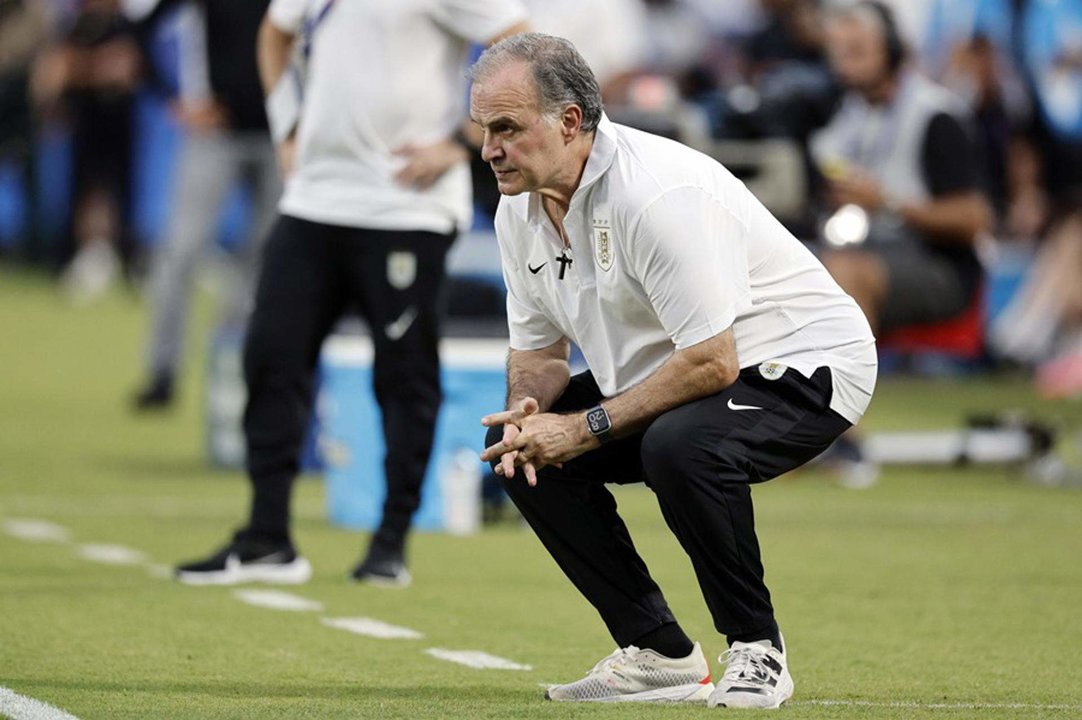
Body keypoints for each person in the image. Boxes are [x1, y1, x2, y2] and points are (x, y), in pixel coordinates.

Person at [472, 33, 876, 708]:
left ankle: (757, 650)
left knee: (683, 446)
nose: (489, 149)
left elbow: (712, 363)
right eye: (485, 130)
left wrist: (585, 428)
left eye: (506, 129)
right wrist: (528, 411)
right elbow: (540, 353)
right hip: (684, 365)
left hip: (806, 360)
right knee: (519, 454)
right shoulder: (519, 208)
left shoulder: (655, 194)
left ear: (570, 123)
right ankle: (660, 653)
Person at [173, 0, 528, 587]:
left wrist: (461, 144)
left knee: (403, 375)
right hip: (314, 200)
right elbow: (275, 33)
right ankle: (267, 538)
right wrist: (286, 125)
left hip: (403, 207)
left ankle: (390, 541)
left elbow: (520, 46)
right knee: (270, 358)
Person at [129, 0, 281, 410]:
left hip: (280, 135)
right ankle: (162, 371)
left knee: (266, 260)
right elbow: (141, 26)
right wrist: (175, 95)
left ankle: (233, 369)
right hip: (216, 132)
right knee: (180, 248)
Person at [809, 1, 993, 335]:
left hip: (938, 262)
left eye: (857, 50)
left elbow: (973, 220)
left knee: (843, 272)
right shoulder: (841, 114)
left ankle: (849, 386)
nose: (843, 65)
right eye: (837, 52)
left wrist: (886, 203)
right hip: (860, 248)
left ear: (892, 49)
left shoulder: (936, 116)